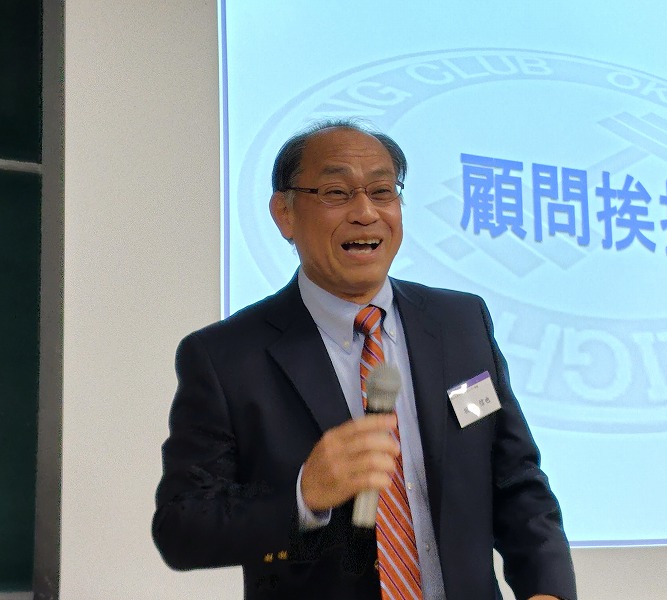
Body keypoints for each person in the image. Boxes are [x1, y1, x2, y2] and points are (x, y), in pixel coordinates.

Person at [152, 119, 577, 600]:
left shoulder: (461, 325)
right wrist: (303, 494)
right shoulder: (226, 357)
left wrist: (548, 589)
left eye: (382, 191)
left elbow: (517, 481)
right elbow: (182, 527)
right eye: (336, 193)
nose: (365, 213)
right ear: (284, 214)